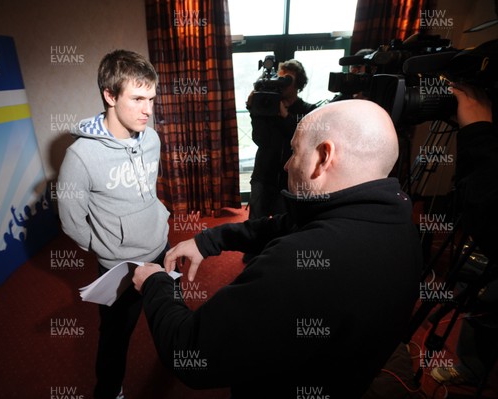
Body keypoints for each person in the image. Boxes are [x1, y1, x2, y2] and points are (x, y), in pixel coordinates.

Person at [132, 99, 423, 398]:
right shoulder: (399, 223)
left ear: (323, 157)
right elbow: (285, 224)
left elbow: (191, 352)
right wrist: (208, 241)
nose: (286, 164)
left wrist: (156, 282)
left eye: (295, 151)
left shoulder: (299, 263)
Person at [57, 49, 170, 399]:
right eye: (137, 98)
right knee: (115, 337)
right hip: (119, 266)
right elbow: (71, 220)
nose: (147, 110)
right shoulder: (80, 156)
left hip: (160, 248)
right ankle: (108, 391)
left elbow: (148, 191)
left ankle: (173, 362)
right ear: (110, 95)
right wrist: (108, 246)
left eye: (151, 98)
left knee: (167, 316)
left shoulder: (152, 139)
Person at [430, 83, 498, 387]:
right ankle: (471, 365)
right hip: (480, 235)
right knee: (475, 286)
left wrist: (479, 131)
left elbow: (486, 201)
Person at [246, 59, 318, 220]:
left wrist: (285, 116)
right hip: (263, 174)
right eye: (280, 78)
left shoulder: (308, 110)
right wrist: (254, 111)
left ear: (298, 84)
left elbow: (303, 139)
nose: (282, 83)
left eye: (288, 79)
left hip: (290, 177)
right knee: (256, 221)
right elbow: (260, 140)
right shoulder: (267, 109)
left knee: (285, 223)